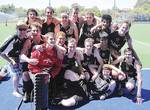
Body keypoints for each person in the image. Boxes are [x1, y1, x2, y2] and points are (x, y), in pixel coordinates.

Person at [28, 32, 66, 107]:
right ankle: (34, 94)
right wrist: (41, 73)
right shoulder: (39, 49)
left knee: (52, 80)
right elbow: (31, 66)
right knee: (41, 81)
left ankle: (51, 98)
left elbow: (58, 66)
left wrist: (51, 74)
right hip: (36, 71)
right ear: (46, 40)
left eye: (54, 39)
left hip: (49, 72)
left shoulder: (57, 51)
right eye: (51, 39)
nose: (53, 41)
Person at [0, 20, 28, 97]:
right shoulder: (12, 39)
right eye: (20, 29)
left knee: (21, 72)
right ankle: (15, 90)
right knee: (16, 74)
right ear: (16, 29)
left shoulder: (25, 36)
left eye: (24, 29)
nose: (22, 31)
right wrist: (11, 61)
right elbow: (1, 53)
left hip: (18, 57)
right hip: (11, 57)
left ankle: (17, 83)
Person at [59, 38, 88, 107]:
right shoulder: (63, 53)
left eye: (73, 47)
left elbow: (80, 65)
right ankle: (80, 92)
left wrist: (82, 73)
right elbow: (58, 64)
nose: (71, 48)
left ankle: (80, 92)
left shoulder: (76, 54)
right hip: (61, 73)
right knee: (70, 73)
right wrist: (63, 65)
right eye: (70, 47)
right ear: (67, 46)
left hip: (70, 71)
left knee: (85, 75)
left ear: (76, 47)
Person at [20, 22, 44, 102]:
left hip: (41, 63)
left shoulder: (44, 39)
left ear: (40, 32)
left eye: (37, 31)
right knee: (25, 73)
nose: (35, 33)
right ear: (31, 31)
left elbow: (53, 43)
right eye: (33, 30)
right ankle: (27, 91)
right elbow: (22, 55)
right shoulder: (28, 41)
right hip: (30, 62)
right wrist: (29, 60)